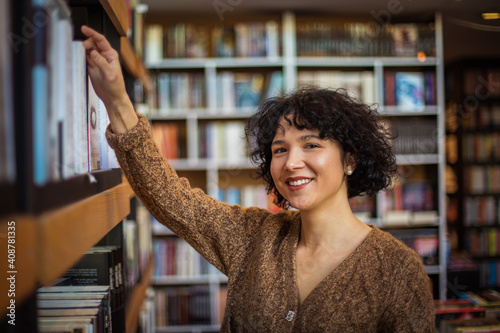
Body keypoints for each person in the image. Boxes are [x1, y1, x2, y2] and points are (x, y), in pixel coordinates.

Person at [81, 25, 435, 332]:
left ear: (351, 160)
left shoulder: (397, 270)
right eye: (280, 150)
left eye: (311, 144)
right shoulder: (252, 237)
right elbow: (170, 197)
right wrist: (117, 101)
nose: (292, 162)